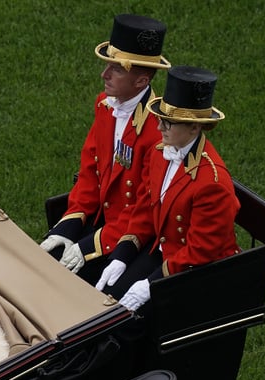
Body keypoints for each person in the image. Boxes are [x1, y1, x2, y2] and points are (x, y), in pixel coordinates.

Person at [95, 66, 240, 311]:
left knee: (126, 320)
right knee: (106, 299)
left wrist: (150, 284)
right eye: (160, 119)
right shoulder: (160, 152)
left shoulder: (212, 184)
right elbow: (145, 209)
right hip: (163, 250)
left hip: (195, 272)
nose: (159, 128)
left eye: (168, 123)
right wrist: (124, 252)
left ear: (194, 128)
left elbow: (199, 252)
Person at [41, 14, 170, 285]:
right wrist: (69, 225)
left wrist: (90, 246)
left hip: (128, 239)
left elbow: (144, 209)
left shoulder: (157, 134)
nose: (104, 75)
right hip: (101, 221)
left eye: (116, 69)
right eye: (107, 65)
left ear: (141, 82)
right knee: (41, 265)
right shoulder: (105, 105)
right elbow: (90, 171)